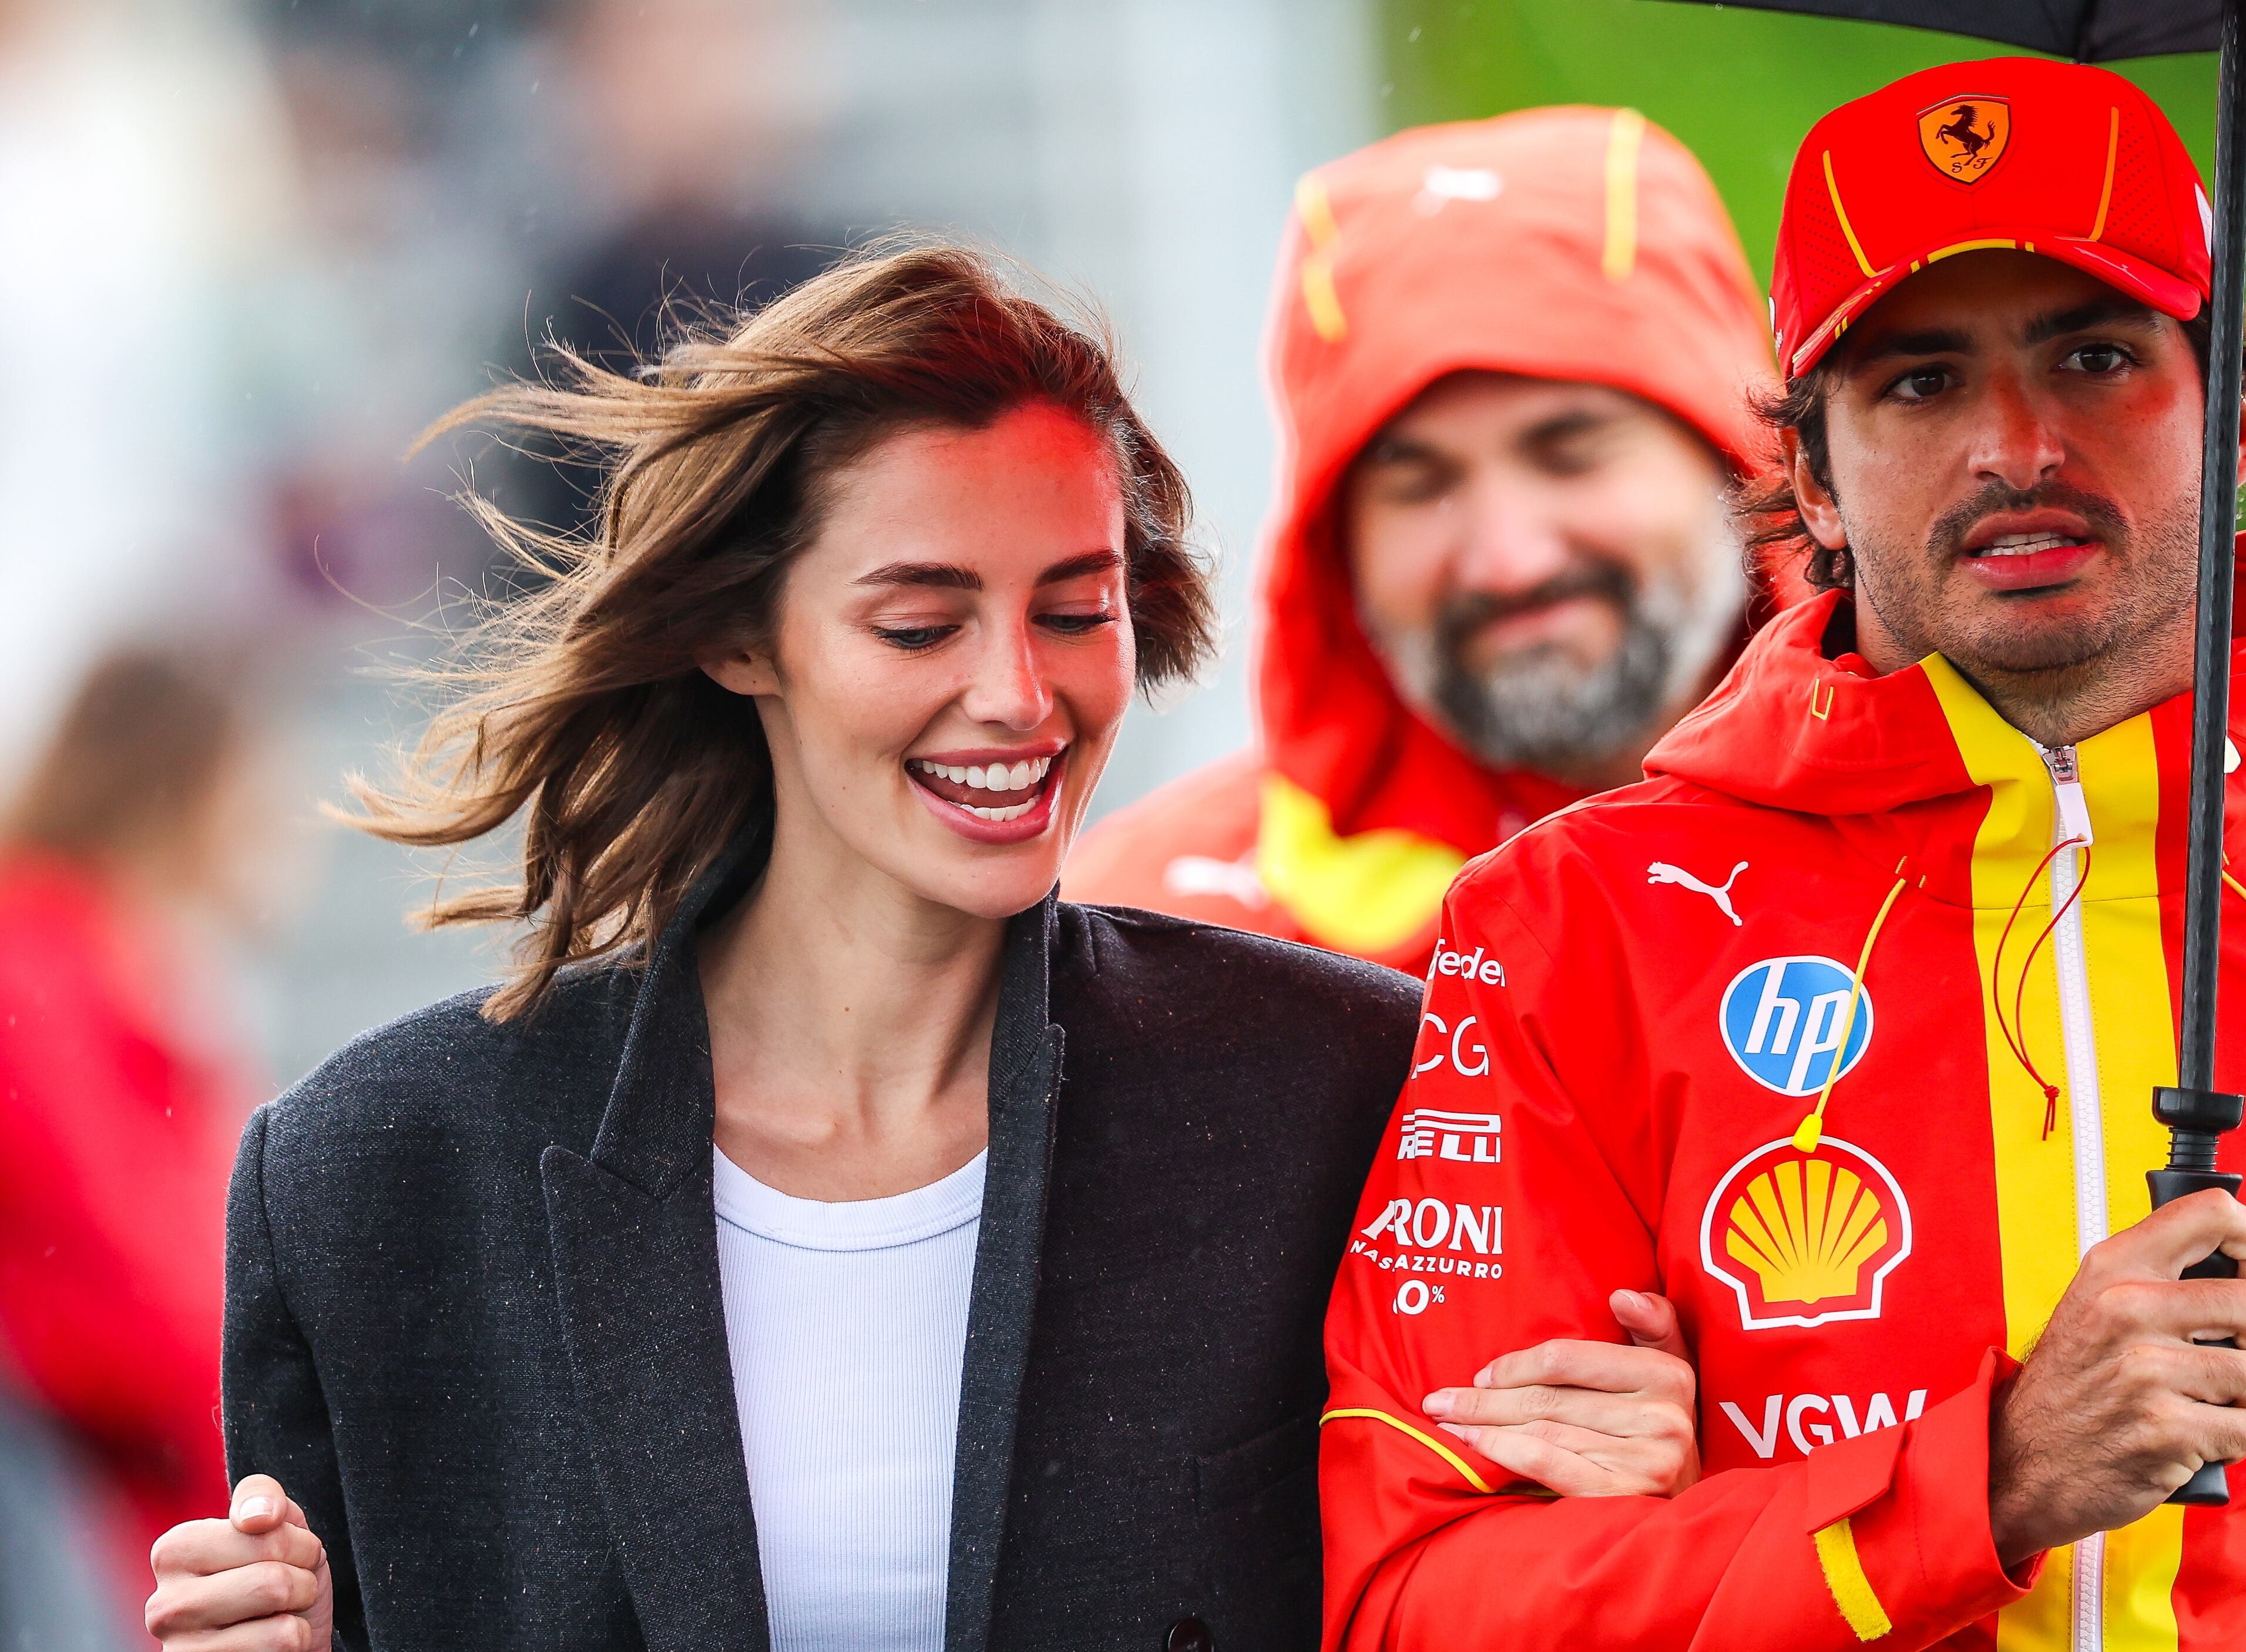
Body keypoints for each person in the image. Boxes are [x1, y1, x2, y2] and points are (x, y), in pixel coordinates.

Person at [1320, 58, 2246, 1650]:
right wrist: (1991, 1479)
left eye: (2095, 355)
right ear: (1812, 482)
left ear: (2228, 422)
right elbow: (1417, 1604)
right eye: (1919, 383)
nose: (2017, 445)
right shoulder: (1569, 924)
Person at [143, 240, 1701, 1651]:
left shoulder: (1348, 1088)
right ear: (739, 636)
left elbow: (1469, 1580)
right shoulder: (376, 1170)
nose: (1020, 695)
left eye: (1075, 608)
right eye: (920, 621)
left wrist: (1622, 1486)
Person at [1063, 106, 1786, 972]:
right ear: (1333, 548)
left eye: (1570, 454)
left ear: (1745, 466)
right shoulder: (1154, 949)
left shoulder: (1973, 856)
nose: (1510, 560)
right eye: (1421, 485)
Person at [0, 649, 276, 1623]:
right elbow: (124, 1272)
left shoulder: (130, 967)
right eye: (259, 782)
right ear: (188, 781)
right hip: (88, 1525)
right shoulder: (40, 963)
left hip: (145, 1520)